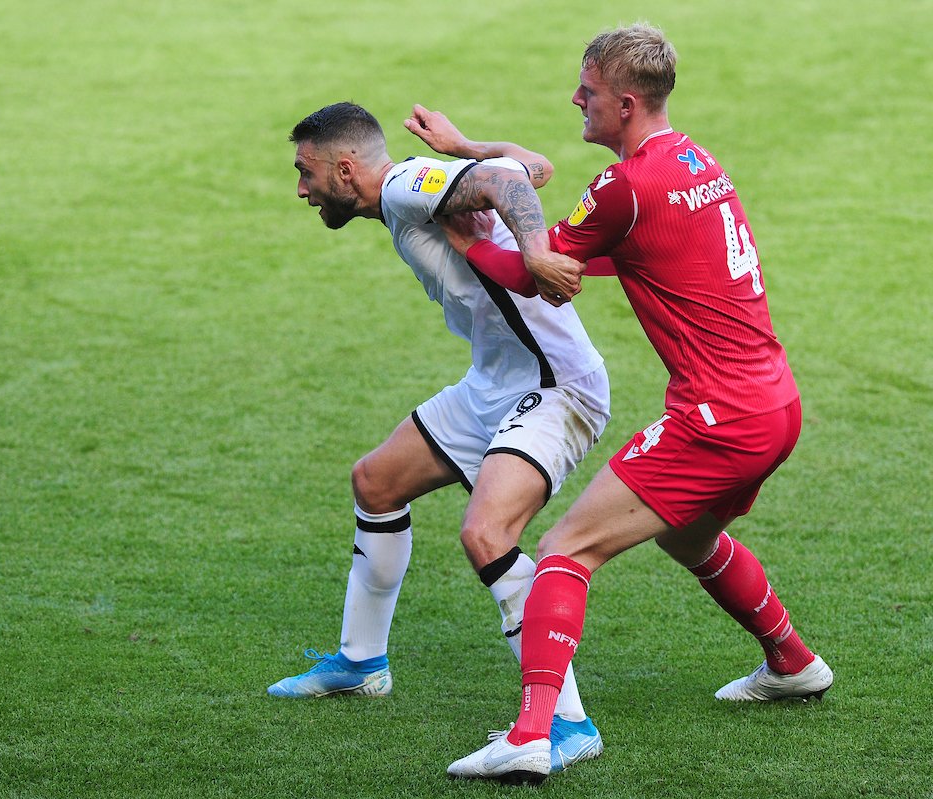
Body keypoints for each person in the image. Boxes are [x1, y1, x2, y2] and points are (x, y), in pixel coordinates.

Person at [405, 24, 834, 784]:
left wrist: (468, 239)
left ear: (625, 103)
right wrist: (474, 153)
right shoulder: (693, 160)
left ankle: (534, 731)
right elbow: (594, 253)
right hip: (775, 403)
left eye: (589, 90)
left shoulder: (625, 185)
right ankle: (793, 661)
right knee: (690, 539)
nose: (577, 98)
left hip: (716, 417)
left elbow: (542, 271)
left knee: (567, 550)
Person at [268, 101, 611, 773]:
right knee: (376, 482)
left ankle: (567, 720)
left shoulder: (401, 186)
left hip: (554, 385)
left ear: (345, 168)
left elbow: (510, 186)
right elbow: (533, 167)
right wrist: (468, 146)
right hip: (496, 380)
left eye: (308, 173)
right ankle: (362, 660)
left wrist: (534, 250)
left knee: (487, 534)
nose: (302, 189)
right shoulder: (420, 188)